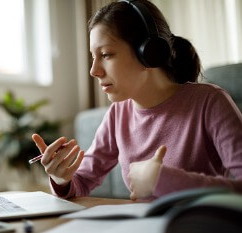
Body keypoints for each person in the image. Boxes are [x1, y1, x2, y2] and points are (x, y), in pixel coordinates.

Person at [32, 0, 242, 200]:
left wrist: (164, 180)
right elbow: (82, 182)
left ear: (148, 53)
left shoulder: (210, 102)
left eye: (105, 54)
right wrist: (61, 179)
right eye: (92, 57)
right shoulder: (117, 114)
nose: (93, 71)